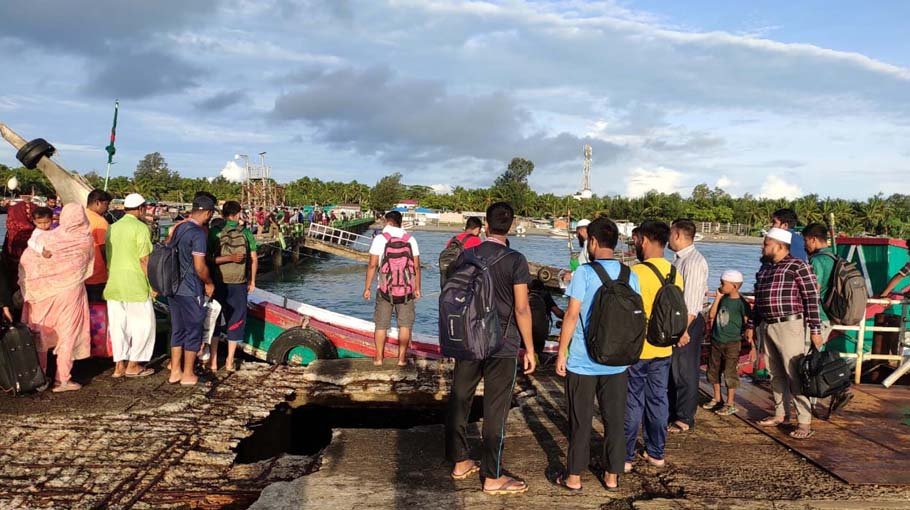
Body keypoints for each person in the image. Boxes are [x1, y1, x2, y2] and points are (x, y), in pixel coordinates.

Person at [445, 202, 535, 495]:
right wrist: (530, 348)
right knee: (496, 410)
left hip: (469, 338)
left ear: (486, 223)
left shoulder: (468, 254)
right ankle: (492, 476)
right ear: (511, 224)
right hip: (503, 343)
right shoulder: (516, 260)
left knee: (460, 397)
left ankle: (460, 461)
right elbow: (522, 308)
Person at [554, 217, 640, 491]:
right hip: (617, 362)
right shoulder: (630, 275)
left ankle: (574, 477)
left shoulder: (584, 273)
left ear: (592, 241)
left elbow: (571, 315)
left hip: (583, 360)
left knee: (580, 421)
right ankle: (612, 476)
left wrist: (561, 352)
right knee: (614, 420)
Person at [753, 228, 822, 439]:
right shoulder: (765, 270)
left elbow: (811, 298)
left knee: (795, 373)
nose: (762, 247)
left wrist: (815, 330)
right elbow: (758, 301)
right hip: (768, 324)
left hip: (790, 324)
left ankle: (804, 421)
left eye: (766, 244)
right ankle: (780, 413)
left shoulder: (798, 266)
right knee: (775, 373)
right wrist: (751, 326)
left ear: (780, 246)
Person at [624, 220, 683, 470]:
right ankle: (656, 453)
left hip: (639, 349)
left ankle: (626, 456)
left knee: (632, 401)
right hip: (664, 347)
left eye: (636, 239)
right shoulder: (674, 272)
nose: (635, 244)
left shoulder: (636, 273)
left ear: (644, 240)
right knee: (658, 399)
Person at [19, 204, 94, 392]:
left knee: (40, 334)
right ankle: (63, 379)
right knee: (68, 334)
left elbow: (26, 262)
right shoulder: (85, 239)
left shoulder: (46, 238)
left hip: (42, 295)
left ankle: (40, 376)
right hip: (71, 294)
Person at [104, 193, 156, 378]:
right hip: (135, 283)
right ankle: (133, 364)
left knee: (119, 327)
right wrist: (153, 284)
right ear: (141, 208)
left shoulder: (112, 228)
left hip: (115, 283)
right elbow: (144, 259)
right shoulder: (141, 228)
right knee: (144, 325)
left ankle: (119, 366)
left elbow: (108, 258)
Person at [168, 195, 216, 386]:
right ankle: (188, 374)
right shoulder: (198, 234)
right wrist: (209, 282)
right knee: (193, 330)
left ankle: (175, 371)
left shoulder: (178, 227)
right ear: (207, 213)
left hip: (173, 287)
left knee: (177, 329)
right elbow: (199, 266)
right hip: (190, 288)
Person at [363, 210, 421, 366]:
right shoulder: (411, 239)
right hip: (406, 290)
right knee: (405, 325)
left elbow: (372, 265)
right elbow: (416, 267)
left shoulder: (380, 239)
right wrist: (417, 289)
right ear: (400, 222)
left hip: (384, 289)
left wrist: (367, 288)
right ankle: (401, 359)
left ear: (387, 222)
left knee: (381, 325)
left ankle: (379, 358)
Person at [667, 219, 708, 433]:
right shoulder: (678, 260)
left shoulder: (692, 261)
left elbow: (691, 301)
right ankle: (674, 412)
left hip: (687, 321)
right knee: (674, 369)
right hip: (679, 320)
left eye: (670, 233)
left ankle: (684, 416)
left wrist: (684, 329)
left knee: (685, 371)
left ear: (678, 235)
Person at [209, 200, 258, 372]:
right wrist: (252, 281)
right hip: (238, 283)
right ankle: (229, 361)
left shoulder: (215, 232)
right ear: (238, 214)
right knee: (235, 320)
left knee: (215, 320)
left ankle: (213, 362)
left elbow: (208, 259)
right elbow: (253, 259)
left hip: (218, 282)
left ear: (222, 214)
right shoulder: (245, 233)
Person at [703, 270, 752, 415]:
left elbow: (748, 321)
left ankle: (730, 402)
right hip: (717, 340)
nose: (720, 286)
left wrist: (750, 340)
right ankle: (717, 398)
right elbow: (712, 315)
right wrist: (717, 298)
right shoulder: (723, 299)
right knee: (713, 369)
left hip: (732, 342)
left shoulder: (741, 303)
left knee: (730, 372)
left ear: (734, 286)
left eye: (723, 284)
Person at [84, 190, 113, 303]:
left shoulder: (80, 216)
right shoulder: (100, 222)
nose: (107, 208)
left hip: (79, 273)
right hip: (96, 274)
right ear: (98, 203)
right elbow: (104, 249)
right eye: (106, 204)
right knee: (96, 309)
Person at [3, 200, 36, 287]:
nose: (28, 212)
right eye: (27, 211)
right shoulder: (30, 227)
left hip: (18, 253)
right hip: (18, 253)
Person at [529, 278, 564, 358]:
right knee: (537, 352)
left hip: (524, 331)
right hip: (540, 333)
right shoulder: (545, 295)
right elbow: (557, 312)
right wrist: (567, 317)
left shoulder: (525, 294)